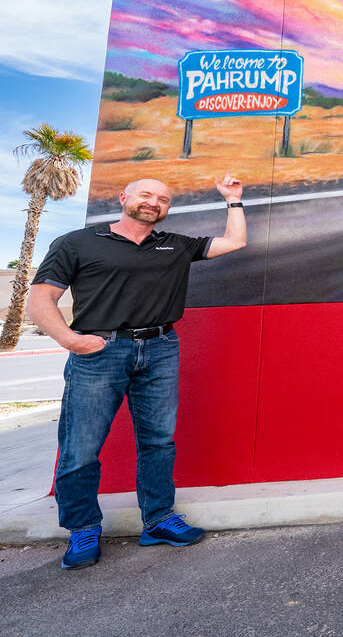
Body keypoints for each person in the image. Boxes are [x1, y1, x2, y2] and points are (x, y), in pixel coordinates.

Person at [27, 174, 247, 569]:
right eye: (146, 194)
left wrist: (233, 200)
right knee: (81, 447)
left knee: (158, 441)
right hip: (99, 352)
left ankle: (159, 520)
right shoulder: (78, 242)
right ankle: (82, 529)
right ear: (124, 197)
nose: (154, 202)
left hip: (160, 348)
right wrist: (70, 340)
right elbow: (42, 298)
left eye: (162, 198)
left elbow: (235, 242)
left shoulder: (175, 245)